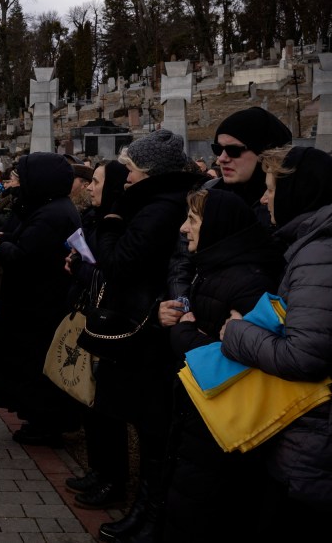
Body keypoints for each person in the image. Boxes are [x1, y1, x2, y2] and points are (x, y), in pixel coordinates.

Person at [92, 129, 204, 543]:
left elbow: (117, 262)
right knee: (149, 430)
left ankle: (150, 514)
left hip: (153, 333)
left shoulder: (157, 208)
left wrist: (112, 219)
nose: (126, 177)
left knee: (156, 433)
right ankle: (144, 510)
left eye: (132, 169)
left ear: (152, 173)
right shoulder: (156, 201)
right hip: (147, 326)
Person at [156, 189, 284, 543]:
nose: (184, 228)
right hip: (200, 421)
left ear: (217, 226)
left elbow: (250, 363)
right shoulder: (213, 268)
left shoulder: (249, 282)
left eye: (193, 220)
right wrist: (168, 316)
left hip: (222, 432)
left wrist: (184, 337)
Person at [220, 146, 332, 536]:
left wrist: (236, 331)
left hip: (314, 441)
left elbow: (303, 355)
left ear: (296, 193)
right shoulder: (309, 243)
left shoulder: (321, 252)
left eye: (270, 189)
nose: (264, 198)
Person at [0, 152, 82, 446]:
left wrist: (0, 245)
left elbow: (26, 256)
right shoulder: (47, 207)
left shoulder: (53, 214)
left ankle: (45, 423)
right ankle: (39, 419)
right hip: (34, 304)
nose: (18, 183)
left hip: (39, 307)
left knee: (38, 368)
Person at [64, 160, 131, 510]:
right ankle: (97, 469)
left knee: (107, 408)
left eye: (98, 182)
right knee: (91, 401)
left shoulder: (118, 226)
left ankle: (112, 479)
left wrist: (83, 269)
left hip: (110, 326)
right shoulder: (94, 219)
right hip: (90, 316)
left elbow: (111, 276)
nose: (90, 187)